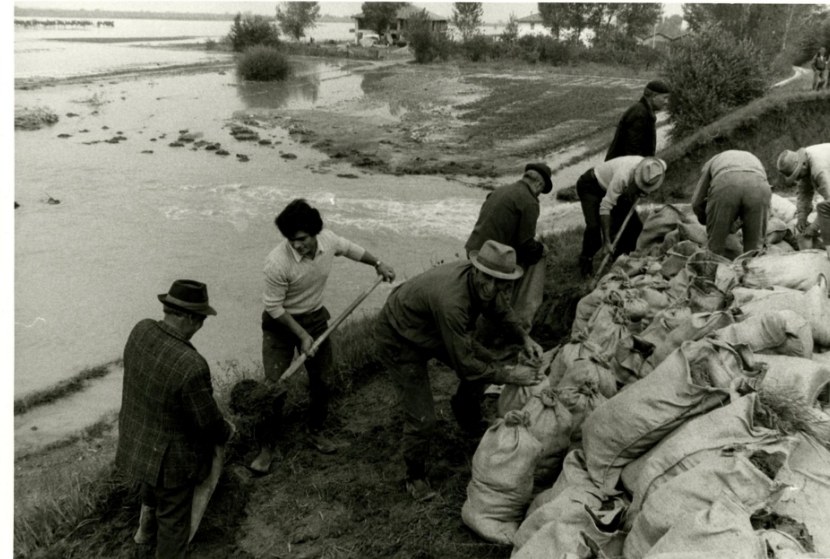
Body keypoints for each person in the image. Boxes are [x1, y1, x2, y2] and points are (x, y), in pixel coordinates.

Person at [374, 240, 545, 501]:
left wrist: (524, 338)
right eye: (489, 279)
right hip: (399, 333)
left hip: (432, 326)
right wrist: (510, 376)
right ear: (476, 270)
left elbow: (501, 311)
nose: (494, 287)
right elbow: (466, 366)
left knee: (486, 362)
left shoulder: (487, 285)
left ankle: (465, 413)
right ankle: (415, 475)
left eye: (502, 282)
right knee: (423, 419)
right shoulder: (452, 302)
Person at [254, 198, 396, 473]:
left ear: (315, 233)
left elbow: (350, 249)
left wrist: (378, 263)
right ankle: (266, 446)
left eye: (303, 238)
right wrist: (302, 336)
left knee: (323, 378)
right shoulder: (276, 263)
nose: (297, 245)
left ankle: (315, 430)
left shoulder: (328, 241)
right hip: (280, 324)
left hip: (316, 317)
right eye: (291, 240)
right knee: (274, 386)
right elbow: (273, 307)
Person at [116, 280, 232, 558]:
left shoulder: (140, 329)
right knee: (174, 523)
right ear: (190, 318)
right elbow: (207, 423)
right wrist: (227, 430)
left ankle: (144, 530)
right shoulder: (191, 365)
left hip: (135, 441)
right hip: (170, 463)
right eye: (202, 319)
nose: (201, 327)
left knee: (152, 479)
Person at [464, 162, 553, 331]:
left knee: (476, 295)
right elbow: (526, 244)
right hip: (493, 259)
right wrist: (541, 249)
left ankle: (475, 326)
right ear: (539, 184)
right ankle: (519, 319)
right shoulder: (530, 202)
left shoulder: (500, 190)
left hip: (474, 249)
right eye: (541, 191)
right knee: (537, 257)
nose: (539, 194)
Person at [576, 156, 667, 277]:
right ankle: (586, 261)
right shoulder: (623, 176)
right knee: (594, 228)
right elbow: (605, 207)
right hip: (591, 186)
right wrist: (607, 242)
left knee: (634, 227)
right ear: (636, 177)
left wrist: (639, 191)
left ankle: (620, 260)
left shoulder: (653, 167)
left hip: (615, 188)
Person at [691, 150, 772, 258]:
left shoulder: (711, 163)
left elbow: (696, 202)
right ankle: (753, 272)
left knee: (715, 248)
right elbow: (764, 204)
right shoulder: (753, 158)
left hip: (726, 184)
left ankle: (712, 271)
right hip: (760, 187)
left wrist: (707, 220)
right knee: (755, 249)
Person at [776, 143, 830, 257]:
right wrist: (802, 216)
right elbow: (804, 193)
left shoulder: (819, 169)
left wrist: (814, 227)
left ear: (803, 165)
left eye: (797, 175)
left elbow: (828, 206)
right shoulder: (805, 163)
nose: (798, 179)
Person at [605, 79, 671, 161]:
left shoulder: (644, 111)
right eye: (665, 98)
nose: (666, 102)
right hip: (622, 167)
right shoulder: (640, 114)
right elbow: (632, 148)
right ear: (654, 96)